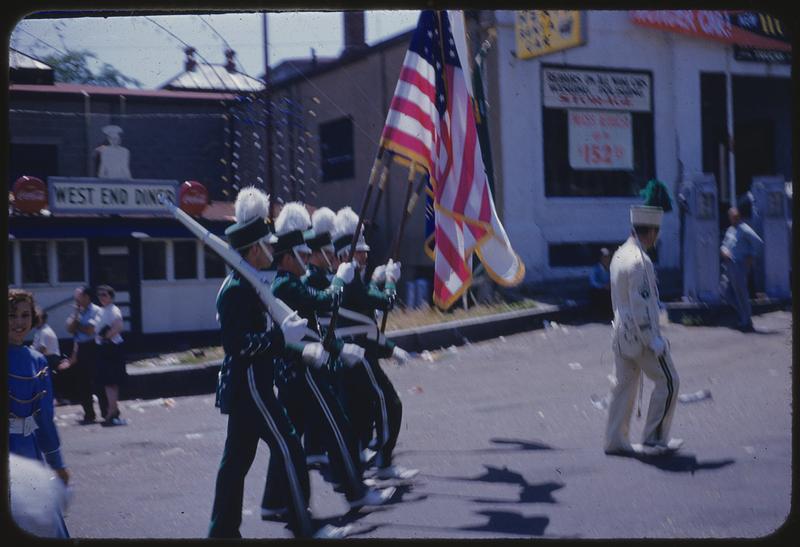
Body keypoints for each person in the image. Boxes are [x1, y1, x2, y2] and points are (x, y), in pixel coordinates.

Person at [207, 187, 348, 539]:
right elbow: (237, 345)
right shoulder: (237, 289)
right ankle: (304, 528)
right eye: (267, 246)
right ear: (253, 249)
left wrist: (290, 343)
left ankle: (221, 533)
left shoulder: (252, 282)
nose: (272, 251)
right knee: (289, 450)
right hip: (252, 383)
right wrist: (281, 337)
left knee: (235, 464)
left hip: (252, 382)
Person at [260, 202, 394, 521]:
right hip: (302, 369)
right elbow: (324, 302)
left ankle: (273, 502)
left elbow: (318, 325)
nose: (307, 261)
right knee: (339, 429)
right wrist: (340, 281)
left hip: (301, 367)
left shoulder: (289, 282)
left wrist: (337, 346)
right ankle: (356, 492)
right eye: (303, 256)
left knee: (293, 442)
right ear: (288, 257)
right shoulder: (287, 284)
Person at [332, 206, 417, 480]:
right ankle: (382, 462)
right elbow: (386, 302)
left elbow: (367, 319)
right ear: (345, 255)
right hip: (360, 357)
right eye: (359, 251)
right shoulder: (351, 281)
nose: (365, 255)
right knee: (389, 404)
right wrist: (390, 280)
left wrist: (391, 349)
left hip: (360, 353)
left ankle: (365, 470)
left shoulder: (352, 280)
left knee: (362, 415)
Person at [604, 205, 682, 456]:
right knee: (669, 382)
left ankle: (615, 440)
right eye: (656, 232)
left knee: (623, 387)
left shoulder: (619, 255)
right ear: (651, 232)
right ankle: (654, 438)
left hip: (620, 332)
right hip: (641, 335)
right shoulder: (641, 261)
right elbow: (643, 306)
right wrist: (654, 340)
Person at [8, 289, 70, 537]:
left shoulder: (37, 361)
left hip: (26, 449)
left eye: (25, 315)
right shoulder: (36, 362)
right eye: (11, 315)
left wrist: (56, 463)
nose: (19, 322)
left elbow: (44, 419)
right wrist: (57, 464)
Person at [65, 285, 105, 423]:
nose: (76, 300)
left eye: (78, 297)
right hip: (80, 347)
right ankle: (89, 413)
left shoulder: (96, 311)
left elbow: (90, 330)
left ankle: (106, 412)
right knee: (82, 382)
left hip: (93, 346)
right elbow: (69, 328)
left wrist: (78, 326)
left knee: (98, 380)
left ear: (87, 297)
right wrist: (76, 315)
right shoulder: (78, 311)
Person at [720, 207, 764, 332]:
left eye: (735, 216)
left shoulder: (745, 229)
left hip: (739, 265)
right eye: (731, 217)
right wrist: (723, 251)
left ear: (739, 216)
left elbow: (758, 242)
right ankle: (744, 315)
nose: (733, 219)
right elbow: (724, 244)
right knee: (726, 293)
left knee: (741, 293)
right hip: (729, 266)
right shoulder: (730, 230)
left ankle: (746, 321)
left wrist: (751, 256)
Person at [94, 285, 127, 426]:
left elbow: (119, 326)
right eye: (100, 295)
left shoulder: (113, 310)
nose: (102, 297)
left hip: (112, 347)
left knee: (110, 382)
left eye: (105, 295)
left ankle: (112, 411)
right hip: (104, 348)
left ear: (111, 297)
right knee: (109, 382)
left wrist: (105, 336)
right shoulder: (101, 310)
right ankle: (113, 410)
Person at [588, 248, 612, 320]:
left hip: (608, 288)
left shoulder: (611, 268)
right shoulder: (595, 269)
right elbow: (593, 282)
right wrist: (603, 286)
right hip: (598, 290)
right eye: (605, 257)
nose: (607, 259)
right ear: (601, 258)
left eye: (608, 257)